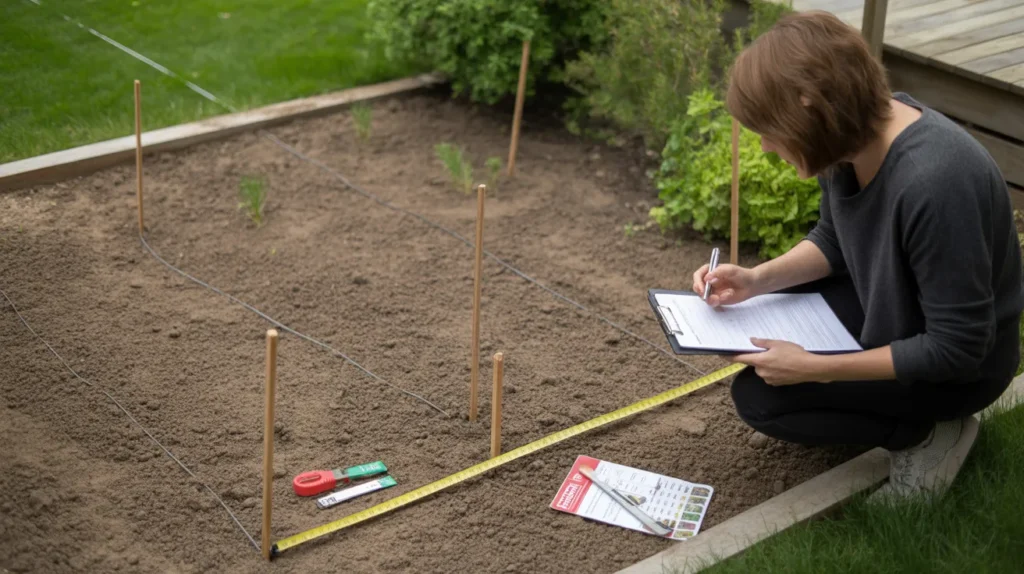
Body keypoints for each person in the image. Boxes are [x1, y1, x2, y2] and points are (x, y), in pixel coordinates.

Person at [691, 11, 1023, 502]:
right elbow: (836, 237)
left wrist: (818, 368)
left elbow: (958, 347)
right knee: (764, 317)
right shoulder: (852, 139)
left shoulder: (935, 183)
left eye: (769, 130)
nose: (765, 146)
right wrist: (757, 280)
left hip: (960, 373)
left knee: (761, 400)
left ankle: (931, 436)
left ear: (810, 108)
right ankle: (865, 399)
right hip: (898, 309)